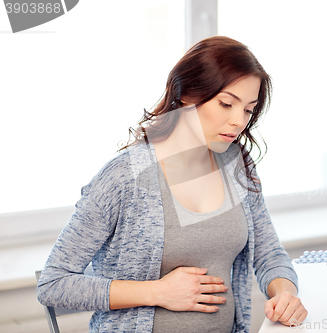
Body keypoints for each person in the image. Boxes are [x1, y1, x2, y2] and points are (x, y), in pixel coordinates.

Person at [37, 36, 308, 333]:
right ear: (187, 94)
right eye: (226, 104)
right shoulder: (124, 177)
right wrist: (157, 292)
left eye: (247, 109)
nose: (238, 122)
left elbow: (269, 253)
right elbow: (54, 283)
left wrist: (285, 293)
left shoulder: (237, 165)